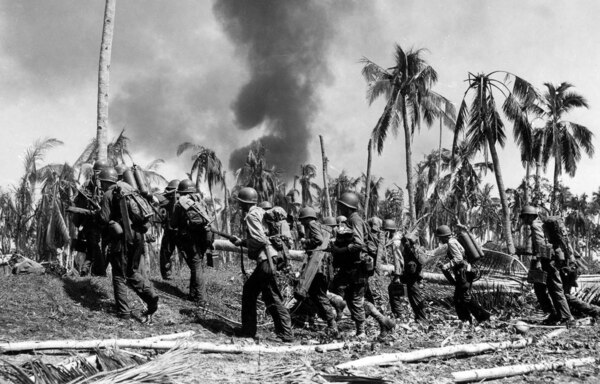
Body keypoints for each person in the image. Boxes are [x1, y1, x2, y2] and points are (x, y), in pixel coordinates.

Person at [231, 187, 294, 342]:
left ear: (244, 203)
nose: (239, 205)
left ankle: (254, 332)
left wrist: (246, 243)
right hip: (272, 258)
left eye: (240, 202)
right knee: (261, 293)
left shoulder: (252, 215)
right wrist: (242, 242)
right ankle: (251, 331)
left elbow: (260, 239)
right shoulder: (261, 212)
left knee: (267, 295)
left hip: (266, 259)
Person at [97, 167, 159, 321]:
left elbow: (104, 219)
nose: (101, 185)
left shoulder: (108, 194)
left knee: (118, 275)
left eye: (102, 182)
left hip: (122, 238)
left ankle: (124, 313)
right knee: (131, 271)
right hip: (138, 236)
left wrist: (97, 216)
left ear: (105, 182)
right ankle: (150, 295)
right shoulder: (129, 190)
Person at [330, 191, 393, 338]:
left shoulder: (355, 220)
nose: (339, 209)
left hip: (356, 268)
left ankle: (361, 332)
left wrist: (340, 250)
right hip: (352, 267)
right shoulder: (352, 219)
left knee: (354, 298)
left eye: (341, 206)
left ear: (347, 207)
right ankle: (382, 321)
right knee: (354, 298)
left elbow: (358, 244)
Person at [520, 206, 574, 325]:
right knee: (541, 288)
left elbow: (541, 245)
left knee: (555, 288)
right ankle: (554, 314)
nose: (523, 220)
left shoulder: (535, 226)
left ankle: (566, 317)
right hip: (548, 260)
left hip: (546, 261)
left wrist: (538, 261)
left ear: (530, 216)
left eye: (524, 217)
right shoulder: (540, 225)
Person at [436, 225, 490, 324]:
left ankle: (483, 317)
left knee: (465, 298)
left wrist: (446, 266)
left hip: (463, 274)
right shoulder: (453, 241)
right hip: (464, 272)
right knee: (458, 299)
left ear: (443, 237)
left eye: (440, 238)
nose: (440, 240)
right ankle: (465, 320)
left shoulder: (451, 243)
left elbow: (459, 258)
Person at [170, 179, 213, 304]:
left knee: (196, 266)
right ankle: (193, 294)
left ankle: (201, 299)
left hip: (191, 239)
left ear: (181, 191)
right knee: (197, 265)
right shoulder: (200, 201)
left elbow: (173, 223)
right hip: (204, 237)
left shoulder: (180, 203)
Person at [297, 207, 338, 335]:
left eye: (303, 220)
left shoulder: (312, 225)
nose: (302, 223)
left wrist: (305, 241)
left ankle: (332, 324)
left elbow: (318, 240)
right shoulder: (319, 226)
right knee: (315, 294)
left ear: (307, 218)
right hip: (321, 267)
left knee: (319, 294)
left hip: (319, 267)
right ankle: (331, 318)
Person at [74, 159, 109, 276]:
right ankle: (98, 272)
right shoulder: (86, 185)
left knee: (105, 248)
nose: (98, 176)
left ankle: (92, 269)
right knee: (93, 245)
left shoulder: (109, 184)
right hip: (91, 221)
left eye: (100, 173)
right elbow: (77, 203)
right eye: (96, 172)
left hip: (106, 221)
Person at [159, 179, 180, 280]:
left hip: (173, 231)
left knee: (165, 253)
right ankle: (166, 274)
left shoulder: (167, 200)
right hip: (175, 231)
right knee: (166, 253)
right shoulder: (166, 200)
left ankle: (166, 274)